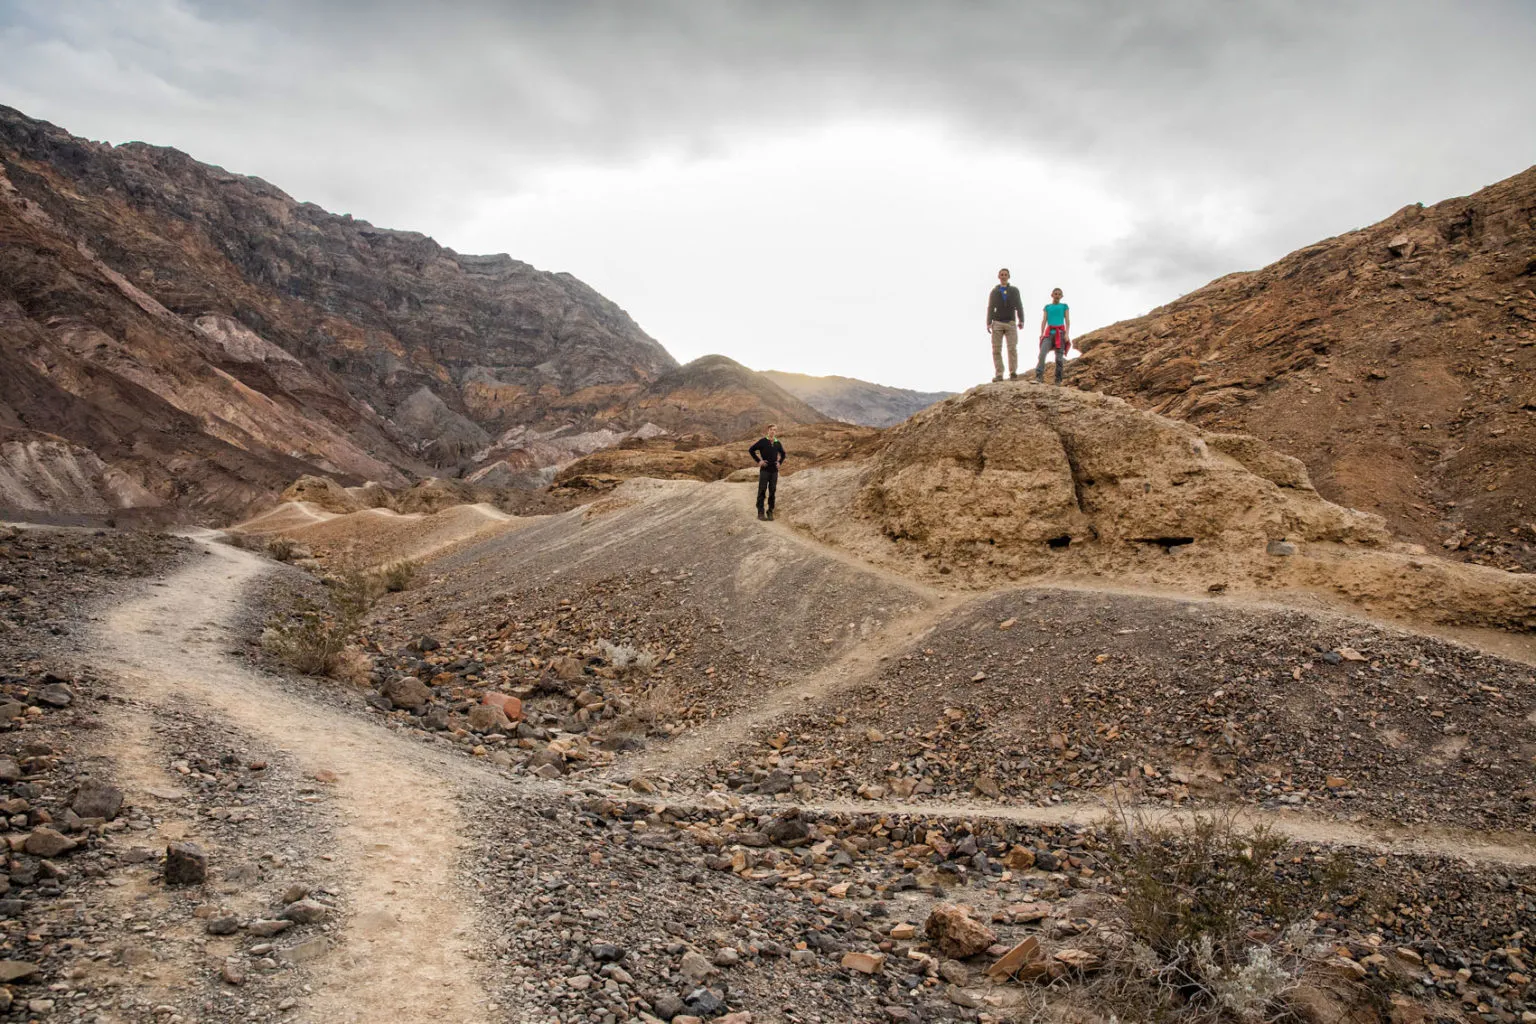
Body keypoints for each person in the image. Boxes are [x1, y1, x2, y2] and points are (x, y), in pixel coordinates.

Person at [986, 268, 1025, 382]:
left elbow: (1019, 305)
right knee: (996, 349)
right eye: (1001, 275)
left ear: (1008, 276)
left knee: (1012, 348)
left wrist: (1021, 320)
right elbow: (990, 307)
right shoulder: (994, 291)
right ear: (999, 277)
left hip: (1010, 323)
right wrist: (988, 322)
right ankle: (999, 374)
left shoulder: (1014, 290)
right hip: (997, 323)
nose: (1003, 276)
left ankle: (1013, 373)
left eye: (1005, 275)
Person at [748, 425, 787, 521]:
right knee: (762, 491)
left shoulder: (777, 443)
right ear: (768, 430)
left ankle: (770, 511)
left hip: (774, 471)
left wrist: (780, 462)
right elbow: (751, 450)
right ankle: (760, 512)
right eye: (771, 430)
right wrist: (759, 461)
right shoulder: (763, 441)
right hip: (764, 470)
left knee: (772, 491)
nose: (773, 432)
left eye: (775, 430)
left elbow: (783, 454)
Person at [1037, 287, 1070, 384]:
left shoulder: (1064, 306)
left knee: (1059, 358)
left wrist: (1067, 334)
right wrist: (1041, 333)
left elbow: (1067, 321)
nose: (1057, 295)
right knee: (1042, 354)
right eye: (1055, 294)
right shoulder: (1047, 307)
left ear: (1061, 296)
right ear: (1052, 295)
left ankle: (1058, 380)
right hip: (1049, 333)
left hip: (1060, 333)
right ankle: (1039, 377)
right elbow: (1044, 320)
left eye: (1059, 294)